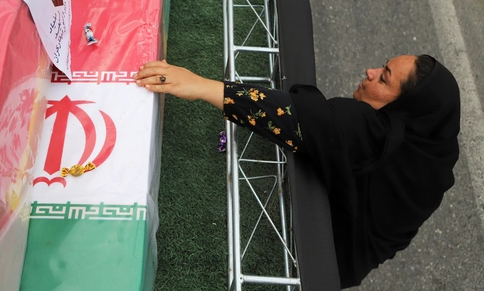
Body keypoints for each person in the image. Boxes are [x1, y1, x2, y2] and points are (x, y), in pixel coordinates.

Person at [133, 55, 460, 288]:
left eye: (384, 78)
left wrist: (199, 86)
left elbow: (298, 118)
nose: (370, 72)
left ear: (406, 108)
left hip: (322, 260)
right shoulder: (437, 145)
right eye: (382, 66)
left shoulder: (379, 135)